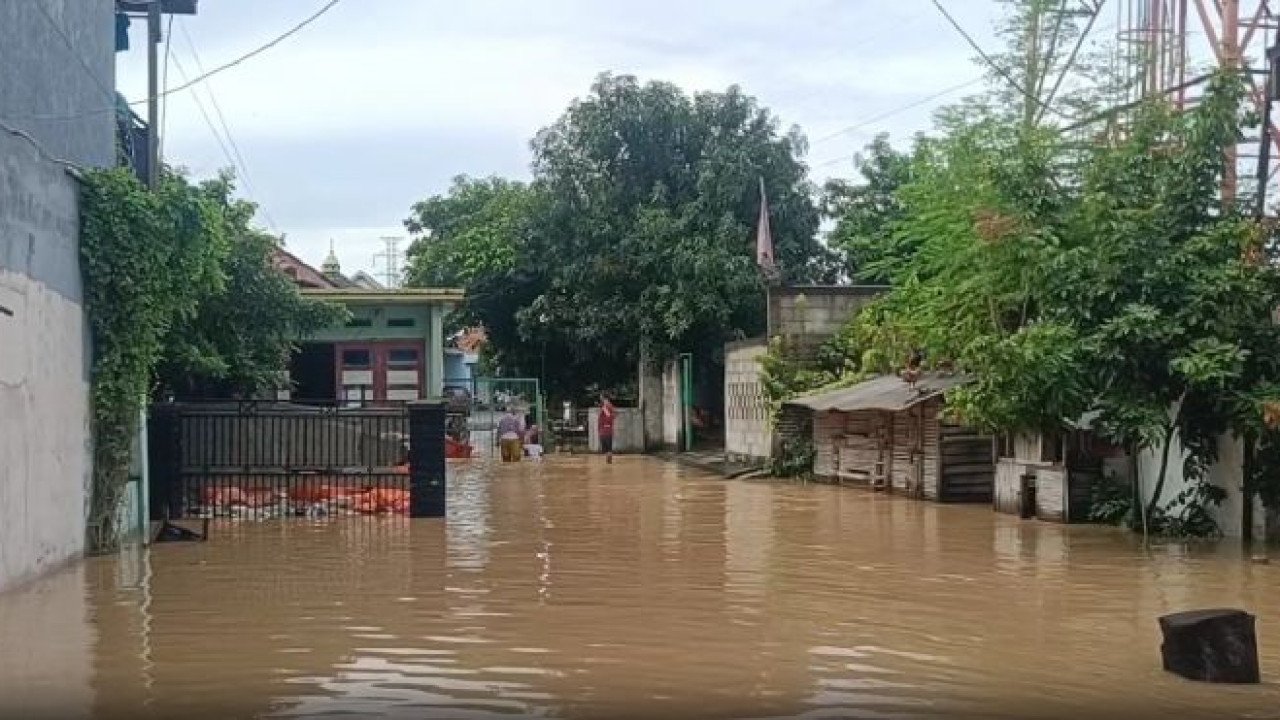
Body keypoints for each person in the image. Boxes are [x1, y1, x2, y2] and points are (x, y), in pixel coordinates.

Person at [598, 393, 616, 464]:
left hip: (606, 430)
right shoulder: (606, 407)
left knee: (608, 448)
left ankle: (609, 462)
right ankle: (608, 461)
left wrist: (604, 408)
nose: (601, 400)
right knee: (606, 449)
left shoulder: (608, 406)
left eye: (602, 398)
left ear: (605, 399)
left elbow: (609, 416)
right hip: (604, 430)